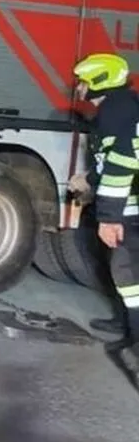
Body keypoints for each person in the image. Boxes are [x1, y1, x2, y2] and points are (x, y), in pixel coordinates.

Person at [67, 53, 139, 364]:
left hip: (128, 208)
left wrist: (108, 214)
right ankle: (126, 324)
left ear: (99, 81)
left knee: (129, 276)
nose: (79, 88)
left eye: (83, 82)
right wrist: (90, 181)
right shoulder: (124, 107)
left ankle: (135, 344)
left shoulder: (115, 111)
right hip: (126, 204)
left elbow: (118, 164)